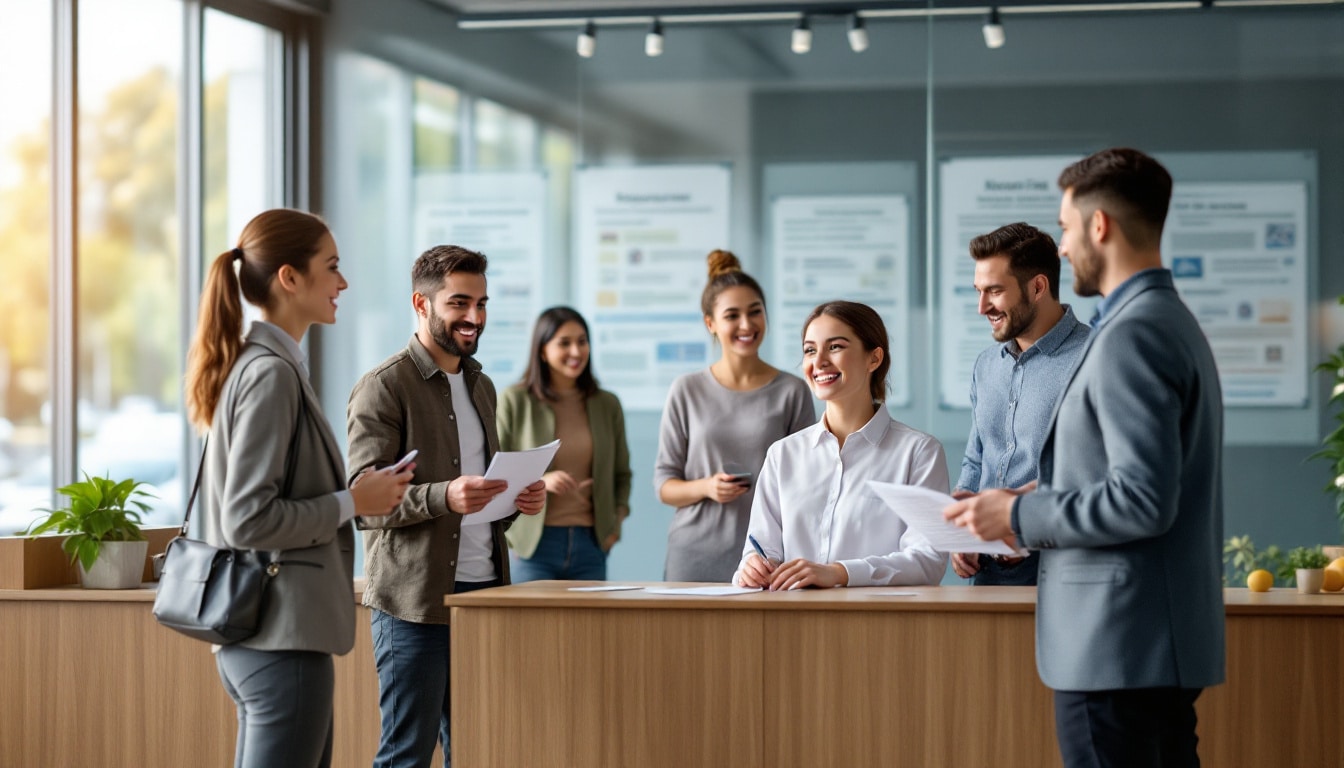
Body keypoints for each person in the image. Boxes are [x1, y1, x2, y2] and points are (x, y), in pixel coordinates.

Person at [944, 148, 1225, 767]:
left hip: (1116, 641)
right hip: (1143, 643)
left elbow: (1142, 499)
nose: (1064, 246)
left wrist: (1019, 517)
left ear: (1100, 227)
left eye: (1068, 228)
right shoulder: (1164, 320)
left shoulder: (1131, 334)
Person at [184, 208, 412, 768]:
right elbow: (247, 519)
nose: (343, 282)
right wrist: (353, 502)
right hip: (280, 639)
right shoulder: (270, 374)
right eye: (331, 266)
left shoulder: (261, 366)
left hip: (270, 638)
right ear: (290, 278)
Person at [346, 245, 546, 768]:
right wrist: (445, 495)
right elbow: (363, 502)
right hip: (414, 604)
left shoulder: (481, 387)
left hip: (485, 592)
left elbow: (481, 507)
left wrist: (516, 498)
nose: (474, 317)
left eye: (482, 303)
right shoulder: (383, 387)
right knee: (406, 755)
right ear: (422, 303)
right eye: (460, 303)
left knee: (478, 747)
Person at [734, 301, 948, 590]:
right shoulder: (782, 455)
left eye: (835, 347)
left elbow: (927, 561)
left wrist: (839, 573)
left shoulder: (918, 452)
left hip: (879, 625)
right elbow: (759, 549)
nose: (818, 361)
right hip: (792, 622)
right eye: (810, 350)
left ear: (874, 359)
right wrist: (751, 569)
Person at [654, 250, 815, 582]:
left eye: (755, 312)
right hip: (694, 554)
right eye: (732, 315)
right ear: (710, 323)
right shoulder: (686, 389)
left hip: (768, 557)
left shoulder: (793, 391)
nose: (746, 325)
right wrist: (707, 487)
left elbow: (806, 484)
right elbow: (665, 485)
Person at [950, 222, 1090, 586]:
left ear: (1038, 287)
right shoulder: (985, 364)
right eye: (979, 291)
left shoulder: (1095, 358)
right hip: (986, 570)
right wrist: (960, 529)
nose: (982, 307)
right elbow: (976, 458)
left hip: (1060, 564)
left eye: (994, 291)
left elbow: (1092, 469)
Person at [497, 306, 632, 581]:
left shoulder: (607, 404)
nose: (576, 351)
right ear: (543, 351)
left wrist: (615, 524)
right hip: (533, 545)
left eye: (582, 342)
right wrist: (543, 481)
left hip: (591, 544)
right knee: (532, 626)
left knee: (591, 626)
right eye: (564, 343)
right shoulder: (515, 400)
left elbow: (622, 474)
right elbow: (496, 473)